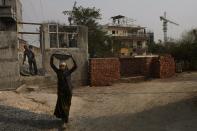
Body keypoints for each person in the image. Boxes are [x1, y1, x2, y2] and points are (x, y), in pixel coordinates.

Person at [50, 54, 77, 126]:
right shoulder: (58, 72)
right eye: (60, 66)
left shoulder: (68, 72)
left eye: (63, 66)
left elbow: (75, 66)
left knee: (67, 105)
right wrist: (52, 57)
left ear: (65, 66)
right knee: (62, 106)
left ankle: (66, 118)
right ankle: (63, 121)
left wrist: (72, 58)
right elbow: (52, 65)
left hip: (68, 92)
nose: (62, 67)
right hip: (61, 92)